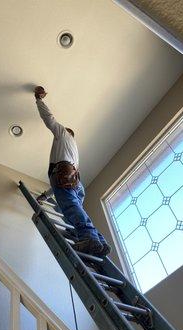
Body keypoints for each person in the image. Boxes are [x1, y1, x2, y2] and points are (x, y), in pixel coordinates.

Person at [34, 86, 111, 257]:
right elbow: (64, 182)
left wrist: (39, 100)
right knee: (73, 209)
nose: (59, 131)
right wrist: (46, 196)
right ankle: (100, 242)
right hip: (74, 181)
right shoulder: (74, 150)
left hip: (64, 176)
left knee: (70, 209)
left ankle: (89, 238)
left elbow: (49, 119)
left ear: (68, 132)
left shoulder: (63, 134)